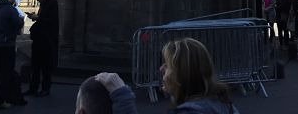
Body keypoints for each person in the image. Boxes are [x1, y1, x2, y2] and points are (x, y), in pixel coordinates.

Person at [94, 38, 239, 114]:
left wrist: (122, 96)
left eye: (167, 64)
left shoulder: (192, 112)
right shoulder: (224, 105)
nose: (161, 68)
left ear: (182, 73)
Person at [0, 0, 25, 108]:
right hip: (7, 44)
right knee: (6, 72)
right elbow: (18, 23)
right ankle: (1, 100)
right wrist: (20, 21)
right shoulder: (10, 9)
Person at [25, 0, 59, 97]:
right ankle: (33, 88)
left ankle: (45, 89)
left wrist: (37, 18)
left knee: (45, 67)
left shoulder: (52, 4)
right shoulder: (44, 4)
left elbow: (51, 21)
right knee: (35, 66)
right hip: (39, 40)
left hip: (47, 40)